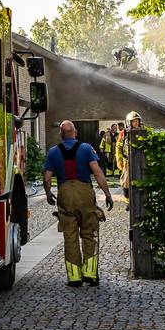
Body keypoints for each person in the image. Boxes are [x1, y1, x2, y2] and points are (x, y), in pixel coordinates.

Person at [43, 120, 114, 286]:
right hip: (85, 195)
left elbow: (47, 177)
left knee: (70, 237)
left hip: (65, 195)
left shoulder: (53, 152)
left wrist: (48, 193)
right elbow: (97, 172)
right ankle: (90, 274)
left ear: (61, 134)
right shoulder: (86, 148)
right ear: (75, 132)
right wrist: (108, 194)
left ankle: (74, 277)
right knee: (89, 234)